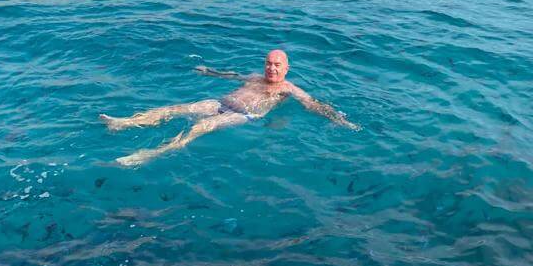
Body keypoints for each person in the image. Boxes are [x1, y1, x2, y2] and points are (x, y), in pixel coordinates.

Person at [101, 49, 359, 167]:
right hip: (220, 103)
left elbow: (313, 105)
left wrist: (338, 119)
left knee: (199, 128)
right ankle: (122, 123)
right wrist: (209, 72)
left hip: (242, 115)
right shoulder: (254, 77)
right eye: (268, 63)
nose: (271, 68)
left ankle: (149, 154)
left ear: (286, 68)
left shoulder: (289, 89)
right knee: (175, 108)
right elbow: (232, 75)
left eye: (277, 65)